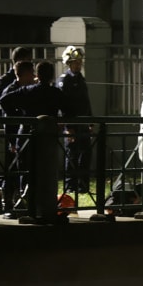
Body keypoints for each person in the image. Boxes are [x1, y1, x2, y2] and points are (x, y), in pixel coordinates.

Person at [0, 59, 35, 217]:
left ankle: (19, 201)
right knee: (12, 171)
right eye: (31, 73)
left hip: (23, 136)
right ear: (25, 74)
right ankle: (9, 202)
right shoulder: (11, 90)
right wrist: (12, 140)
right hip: (14, 136)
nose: (33, 76)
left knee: (21, 169)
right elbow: (5, 110)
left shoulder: (27, 89)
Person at [56, 46, 93, 194]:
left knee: (85, 155)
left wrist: (90, 121)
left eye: (80, 62)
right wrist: (68, 127)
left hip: (83, 124)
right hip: (71, 126)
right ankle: (70, 186)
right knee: (71, 156)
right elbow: (62, 106)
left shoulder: (81, 80)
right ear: (69, 63)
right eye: (75, 62)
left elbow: (86, 102)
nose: (78, 64)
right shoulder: (64, 81)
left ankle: (82, 185)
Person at [0, 46, 32, 116]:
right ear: (20, 60)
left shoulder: (28, 77)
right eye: (28, 60)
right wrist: (1, 114)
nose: (30, 63)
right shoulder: (7, 79)